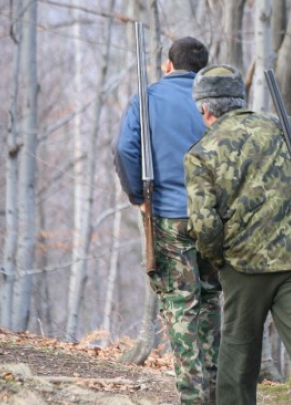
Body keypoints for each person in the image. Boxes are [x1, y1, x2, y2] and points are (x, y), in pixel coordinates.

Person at [184, 64, 291, 405]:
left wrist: (218, 259)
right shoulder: (283, 127)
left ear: (205, 108)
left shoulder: (201, 152)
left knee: (238, 360)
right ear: (238, 99)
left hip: (244, 266)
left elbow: (204, 224)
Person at [113, 37, 221, 405]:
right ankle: (216, 388)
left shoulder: (148, 98)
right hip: (211, 218)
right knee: (209, 299)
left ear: (167, 65)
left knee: (181, 304)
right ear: (202, 68)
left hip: (168, 215)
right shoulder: (214, 102)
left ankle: (194, 397)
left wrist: (137, 197)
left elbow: (125, 148)